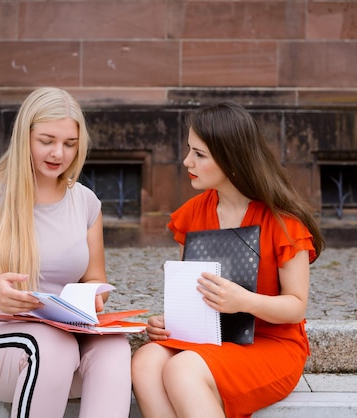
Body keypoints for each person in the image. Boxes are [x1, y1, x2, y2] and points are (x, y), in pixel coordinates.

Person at [0, 87, 132, 418]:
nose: (59, 153)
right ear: (25, 137)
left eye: (70, 144)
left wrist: (94, 296)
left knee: (114, 347)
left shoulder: (85, 202)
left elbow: (96, 277)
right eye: (47, 141)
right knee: (50, 347)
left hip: (67, 335)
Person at [131, 101, 324, 418]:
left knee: (182, 369)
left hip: (272, 343)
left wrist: (244, 301)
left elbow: (296, 307)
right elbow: (193, 297)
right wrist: (169, 323)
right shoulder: (193, 213)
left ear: (232, 161)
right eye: (189, 150)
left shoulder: (284, 222)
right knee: (146, 359)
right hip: (213, 338)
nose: (186, 161)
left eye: (199, 154)